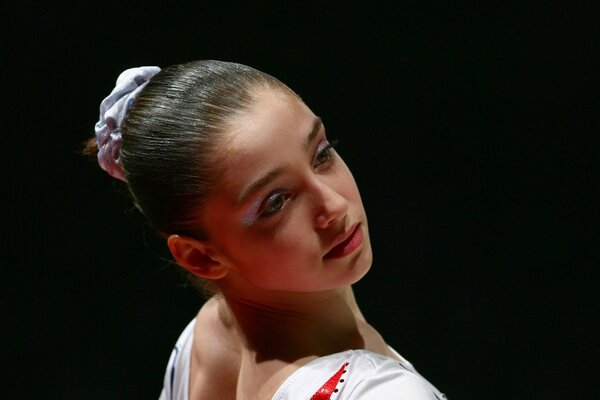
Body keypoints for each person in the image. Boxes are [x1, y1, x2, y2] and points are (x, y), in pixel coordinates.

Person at [87, 60, 447, 399]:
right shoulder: (382, 392)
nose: (334, 206)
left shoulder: (207, 334)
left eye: (321, 153)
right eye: (276, 202)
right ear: (200, 257)